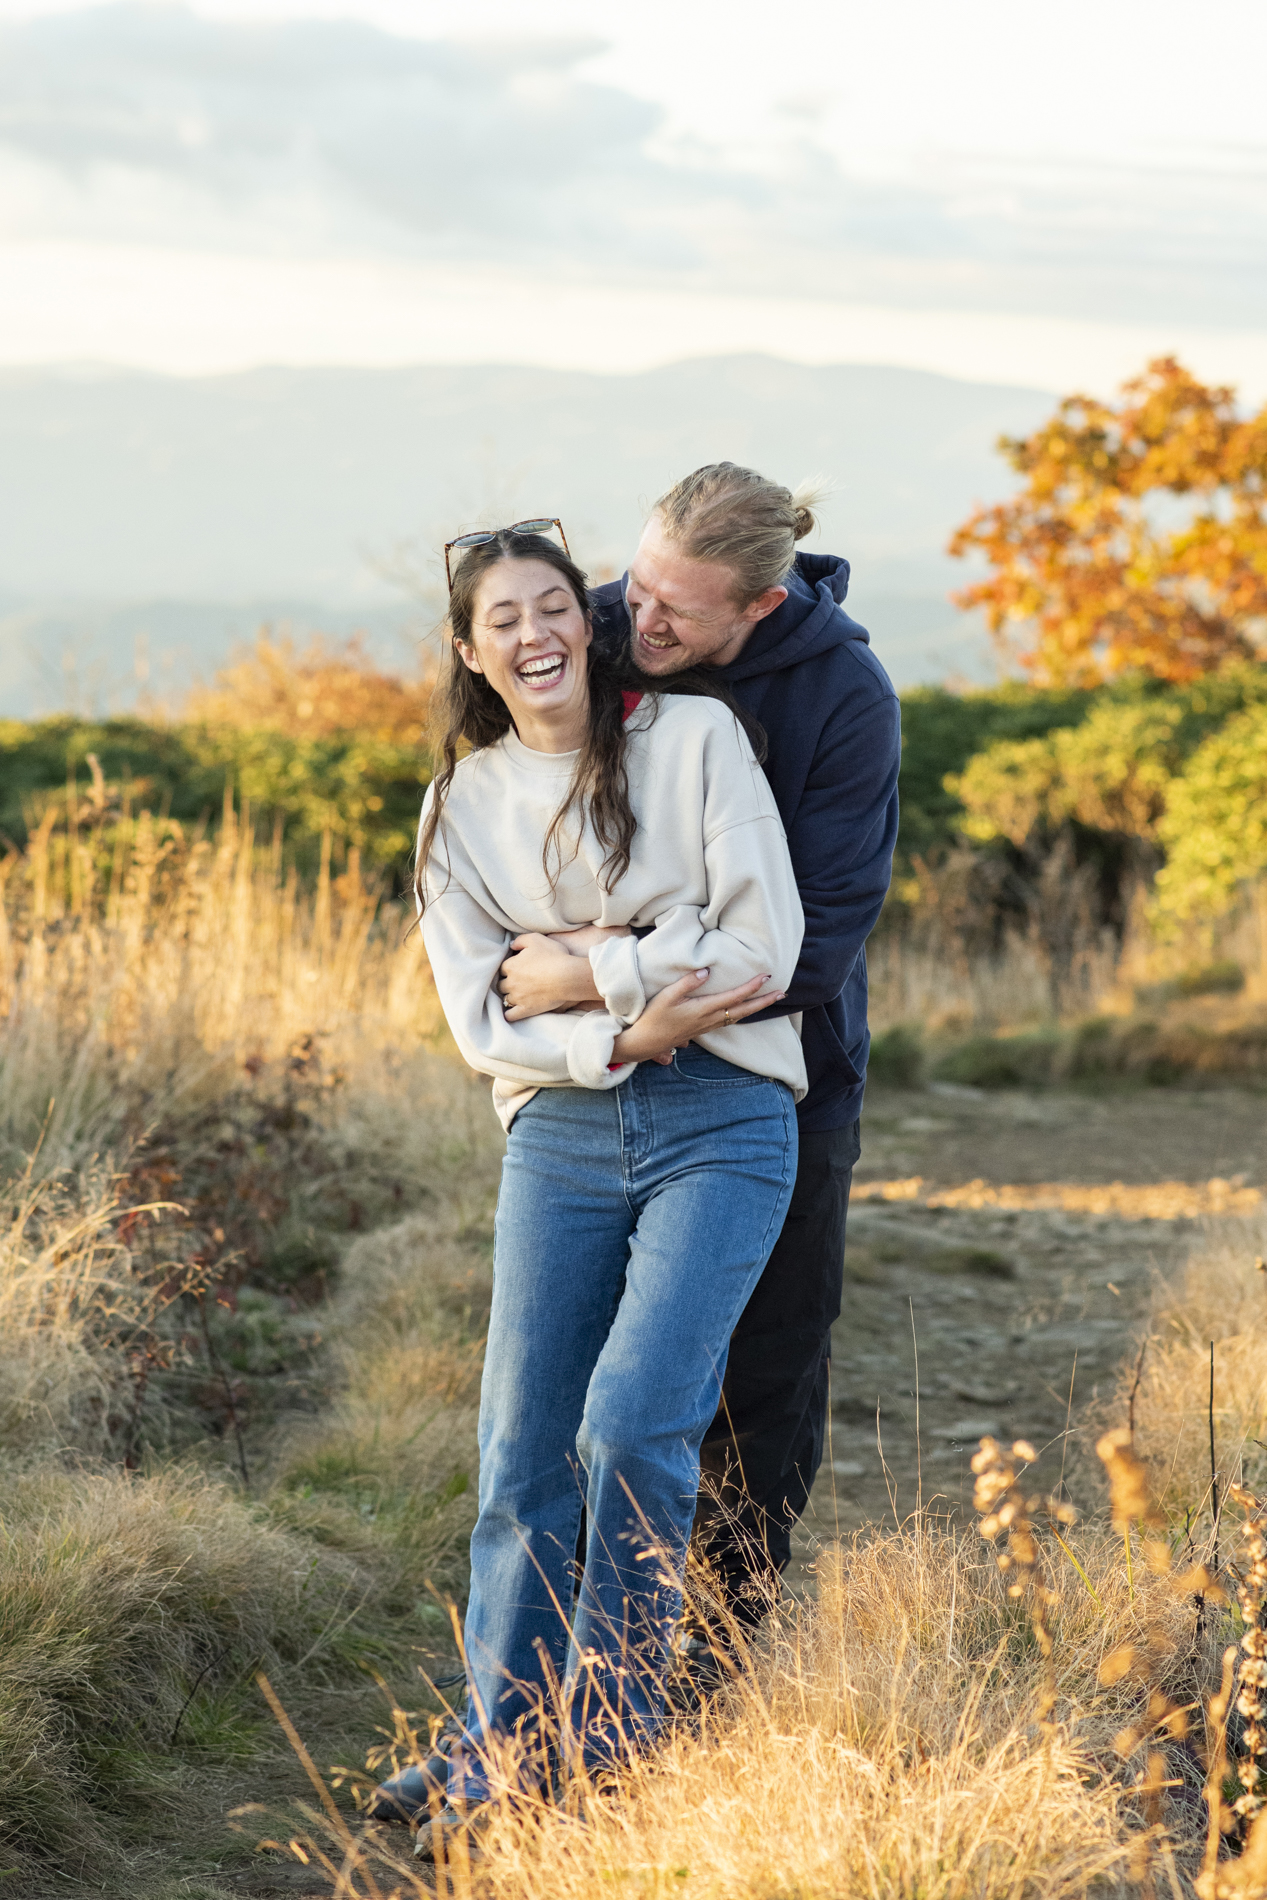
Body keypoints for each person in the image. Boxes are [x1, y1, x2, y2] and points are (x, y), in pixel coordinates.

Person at [374, 523, 805, 1854]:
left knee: (628, 1425)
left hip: (723, 1115)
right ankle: (497, 1745)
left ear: (587, 620)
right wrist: (625, 1020)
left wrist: (584, 966)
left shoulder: (691, 743)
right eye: (500, 618)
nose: (530, 632)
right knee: (517, 1452)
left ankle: (607, 1742)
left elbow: (764, 948)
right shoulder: (460, 805)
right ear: (468, 649)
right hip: (559, 1130)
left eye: (551, 605)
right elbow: (479, 1014)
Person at [496, 466, 901, 1635]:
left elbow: (808, 951)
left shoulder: (842, 696)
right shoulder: (599, 631)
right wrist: (597, 1015)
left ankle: (714, 1665)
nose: (640, 621)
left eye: (678, 610)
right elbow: (508, 820)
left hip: (786, 1087)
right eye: (637, 585)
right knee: (561, 1407)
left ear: (758, 611)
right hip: (590, 1086)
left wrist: (594, 969)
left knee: (759, 1388)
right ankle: (538, 1686)